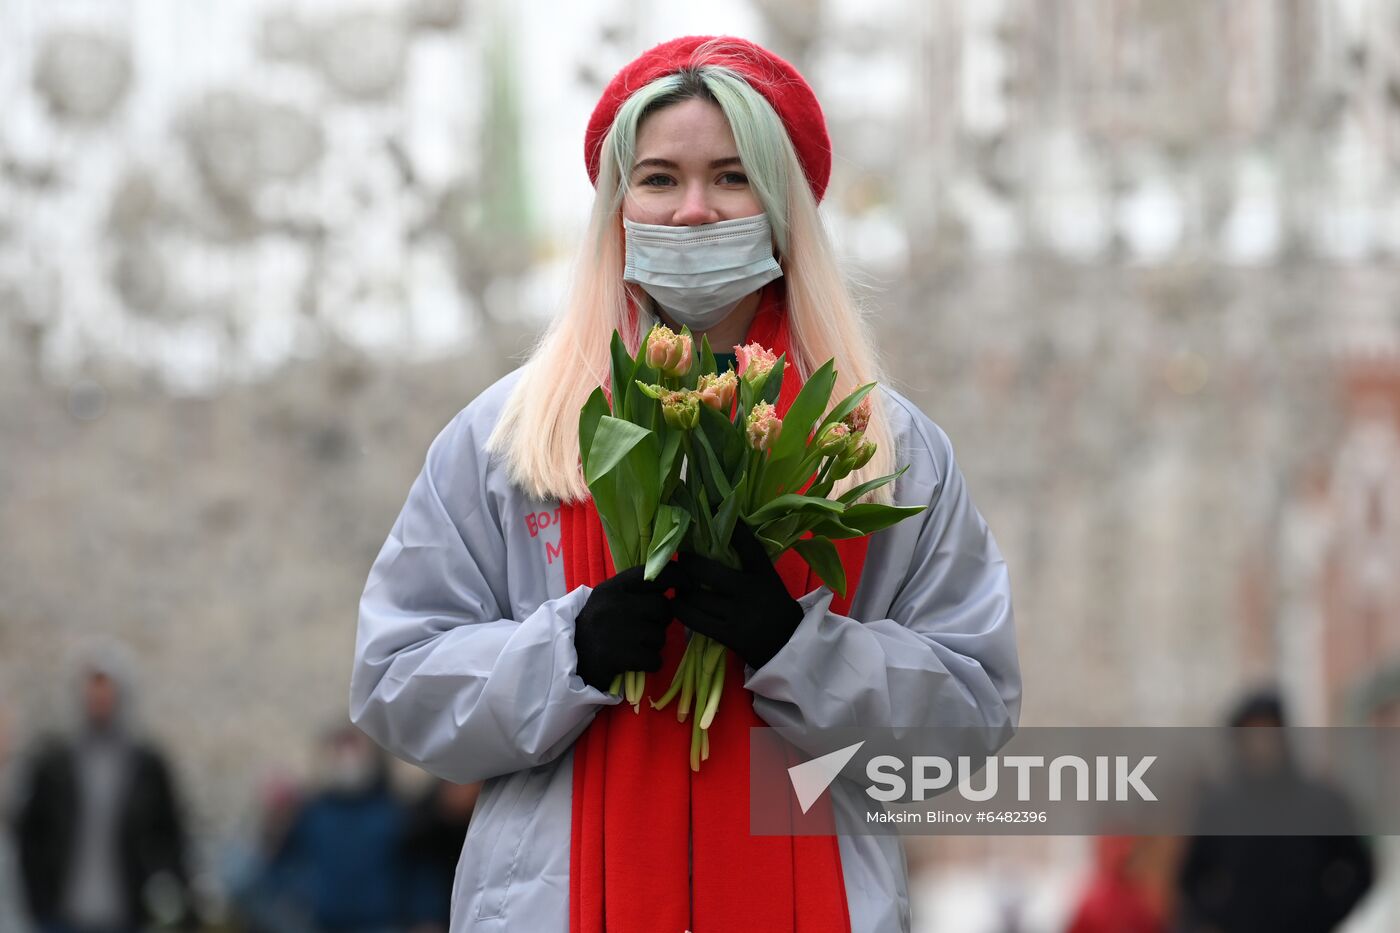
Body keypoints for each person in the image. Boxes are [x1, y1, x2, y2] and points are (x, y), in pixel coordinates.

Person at [349, 34, 1022, 933]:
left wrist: (797, 646)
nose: (694, 211)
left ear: (783, 206)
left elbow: (971, 711)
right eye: (660, 179)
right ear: (617, 207)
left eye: (732, 177)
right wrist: (570, 651)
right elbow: (396, 679)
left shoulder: (880, 448)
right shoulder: (510, 438)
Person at [12, 644, 194, 933]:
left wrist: (175, 896)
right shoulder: (54, 762)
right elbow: (30, 834)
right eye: (93, 690)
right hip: (62, 915)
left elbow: (171, 834)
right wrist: (37, 901)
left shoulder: (146, 764)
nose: (99, 699)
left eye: (106, 690)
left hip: (125, 914)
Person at [1174, 688, 1376, 933]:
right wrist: (1225, 915)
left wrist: (1327, 913)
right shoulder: (1219, 807)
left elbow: (1359, 869)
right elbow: (1191, 878)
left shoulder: (1321, 801)